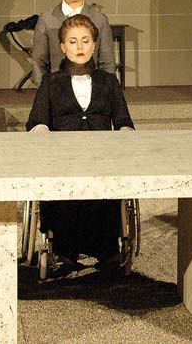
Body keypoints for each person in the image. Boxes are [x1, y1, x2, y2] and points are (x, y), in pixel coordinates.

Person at [26, 14, 133, 271]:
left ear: (94, 45)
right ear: (63, 47)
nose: (80, 47)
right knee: (64, 192)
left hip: (101, 159)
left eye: (85, 41)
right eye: (73, 42)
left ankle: (107, 249)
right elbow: (36, 121)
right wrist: (42, 132)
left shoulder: (109, 82)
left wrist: (125, 132)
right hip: (63, 160)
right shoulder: (51, 83)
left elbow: (123, 121)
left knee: (107, 189)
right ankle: (65, 249)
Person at [30, 0, 115, 90]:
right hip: (57, 91)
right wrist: (47, 91)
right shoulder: (46, 20)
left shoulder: (99, 20)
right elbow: (38, 62)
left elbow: (107, 63)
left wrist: (101, 93)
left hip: (93, 91)